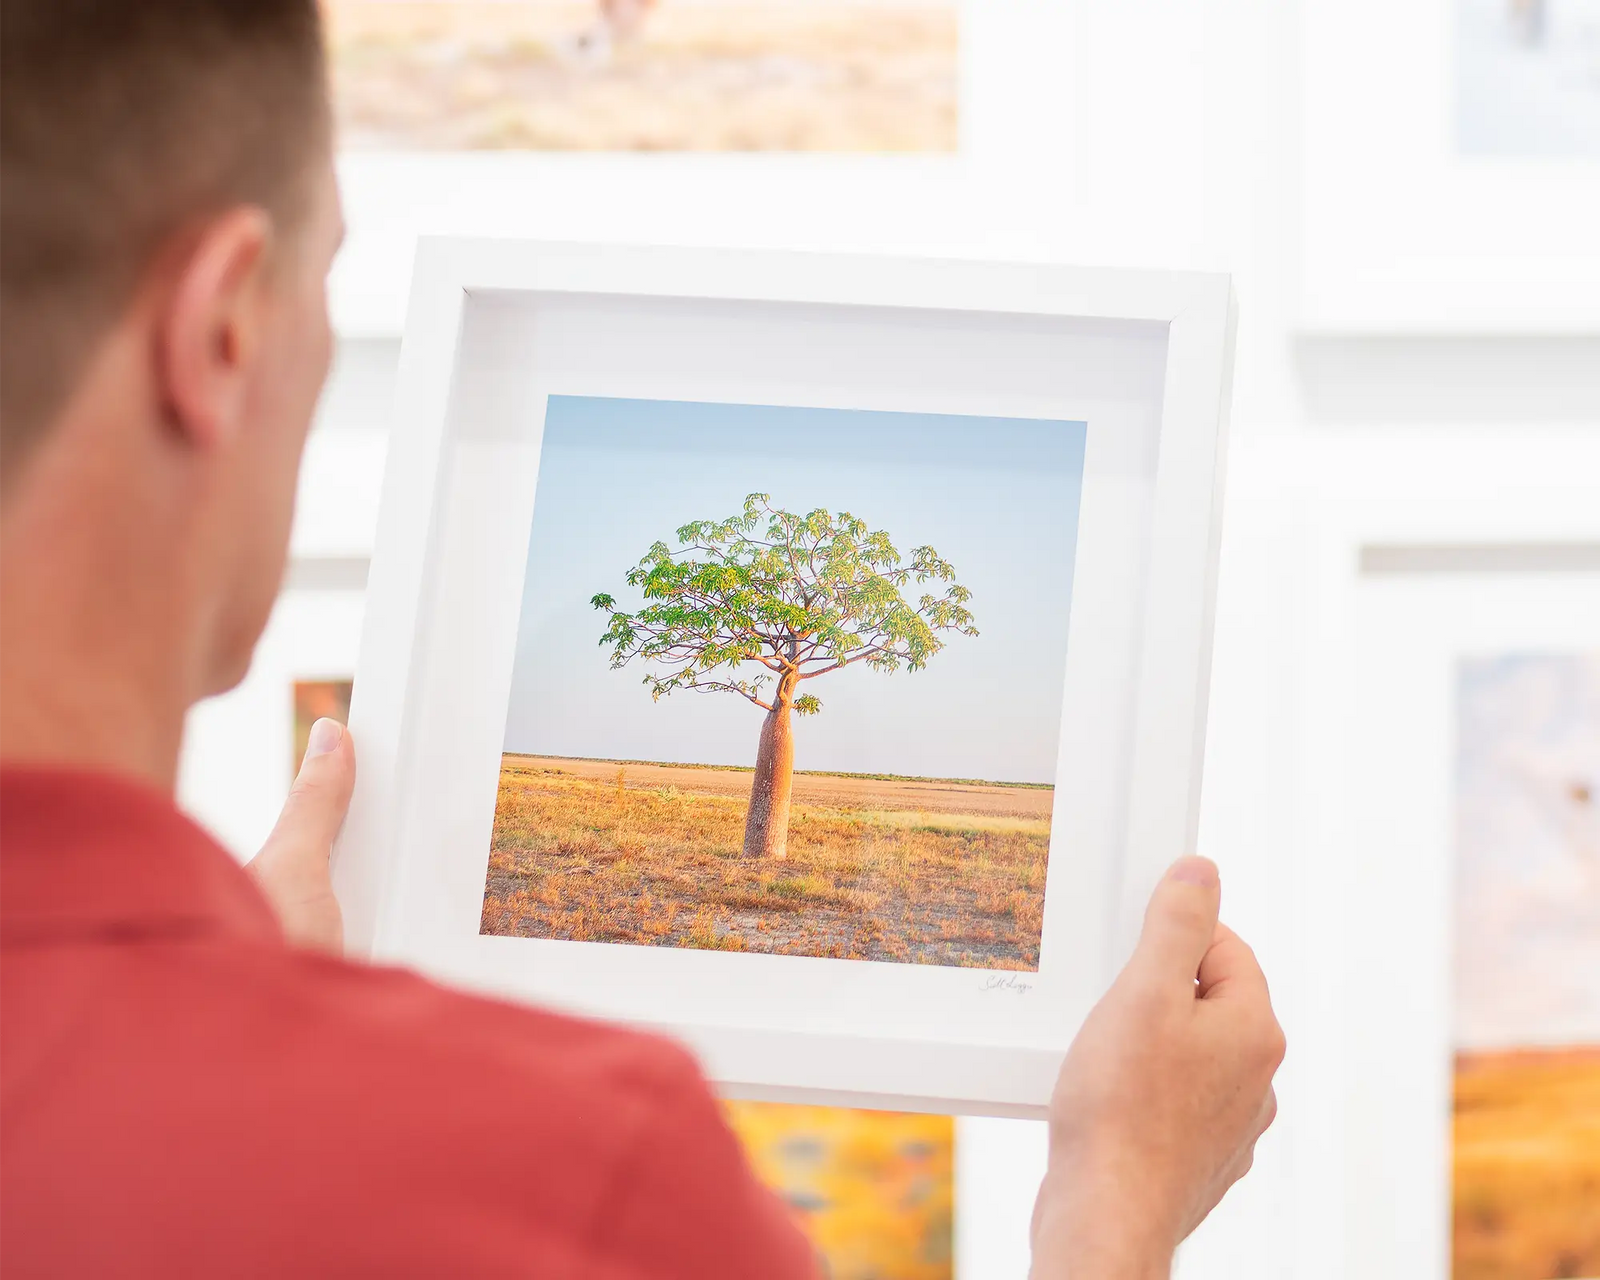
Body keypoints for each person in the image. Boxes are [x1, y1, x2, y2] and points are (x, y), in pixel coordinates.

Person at [0, 2, 1285, 1275]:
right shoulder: (581, 1179)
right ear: (221, 330)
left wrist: (246, 1002)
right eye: (324, 278)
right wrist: (1111, 1205)